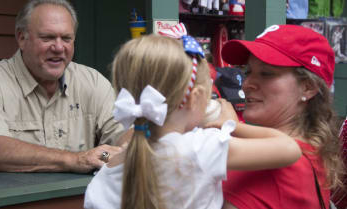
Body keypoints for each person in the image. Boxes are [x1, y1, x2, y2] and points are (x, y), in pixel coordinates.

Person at [84, 30, 302, 209]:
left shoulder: (110, 167)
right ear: (196, 98)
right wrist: (232, 124)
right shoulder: (200, 148)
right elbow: (289, 148)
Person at [0, 0, 124, 173]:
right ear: (21, 38)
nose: (58, 47)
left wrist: (117, 153)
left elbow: (121, 135)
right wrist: (77, 159)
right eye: (47, 37)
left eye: (66, 38)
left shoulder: (92, 81)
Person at [220, 24, 345, 209]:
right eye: (248, 72)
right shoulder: (308, 150)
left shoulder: (279, 165)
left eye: (266, 73)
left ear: (308, 87)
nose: (247, 84)